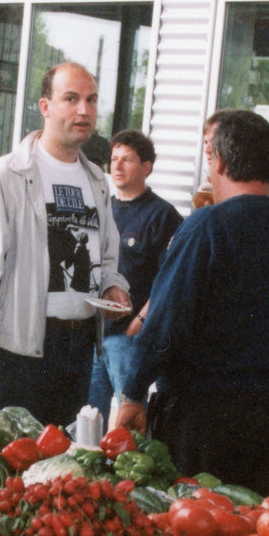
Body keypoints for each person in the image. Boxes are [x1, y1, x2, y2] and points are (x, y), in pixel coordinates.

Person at [116, 109, 269, 494]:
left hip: (204, 411)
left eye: (209, 154)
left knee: (193, 529)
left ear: (220, 160)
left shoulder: (205, 226)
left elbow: (165, 321)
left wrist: (133, 392)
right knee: (246, 530)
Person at [0, 62, 130, 428]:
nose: (84, 110)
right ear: (45, 106)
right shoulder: (7, 174)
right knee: (12, 468)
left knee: (64, 470)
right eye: (71, 99)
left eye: (92, 100)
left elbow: (108, 256)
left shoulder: (97, 179)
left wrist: (114, 286)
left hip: (81, 350)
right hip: (23, 350)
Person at [87, 129, 182, 422]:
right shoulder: (100, 209)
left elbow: (171, 280)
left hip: (128, 340)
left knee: (128, 423)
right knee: (88, 420)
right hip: (92, 337)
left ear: (146, 167)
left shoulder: (163, 216)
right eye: (113, 159)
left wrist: (141, 321)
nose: (116, 166)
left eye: (126, 159)